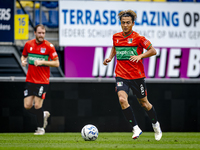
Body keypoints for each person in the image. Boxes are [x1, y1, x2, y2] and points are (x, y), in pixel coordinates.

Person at [103, 10, 162, 141]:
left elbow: (153, 50)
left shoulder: (139, 38)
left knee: (144, 104)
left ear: (133, 24)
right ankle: (135, 128)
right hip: (121, 75)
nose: (125, 25)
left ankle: (155, 124)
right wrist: (110, 58)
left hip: (137, 77)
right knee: (122, 100)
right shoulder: (116, 37)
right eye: (123, 23)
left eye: (128, 23)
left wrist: (140, 55)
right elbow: (115, 47)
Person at [21, 24, 60, 135]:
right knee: (27, 106)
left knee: (38, 105)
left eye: (43, 33)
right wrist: (23, 61)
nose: (41, 35)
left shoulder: (49, 46)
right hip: (30, 80)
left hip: (42, 81)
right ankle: (42, 114)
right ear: (35, 33)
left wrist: (43, 62)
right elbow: (24, 56)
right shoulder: (28, 44)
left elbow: (57, 63)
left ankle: (40, 128)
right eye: (39, 33)